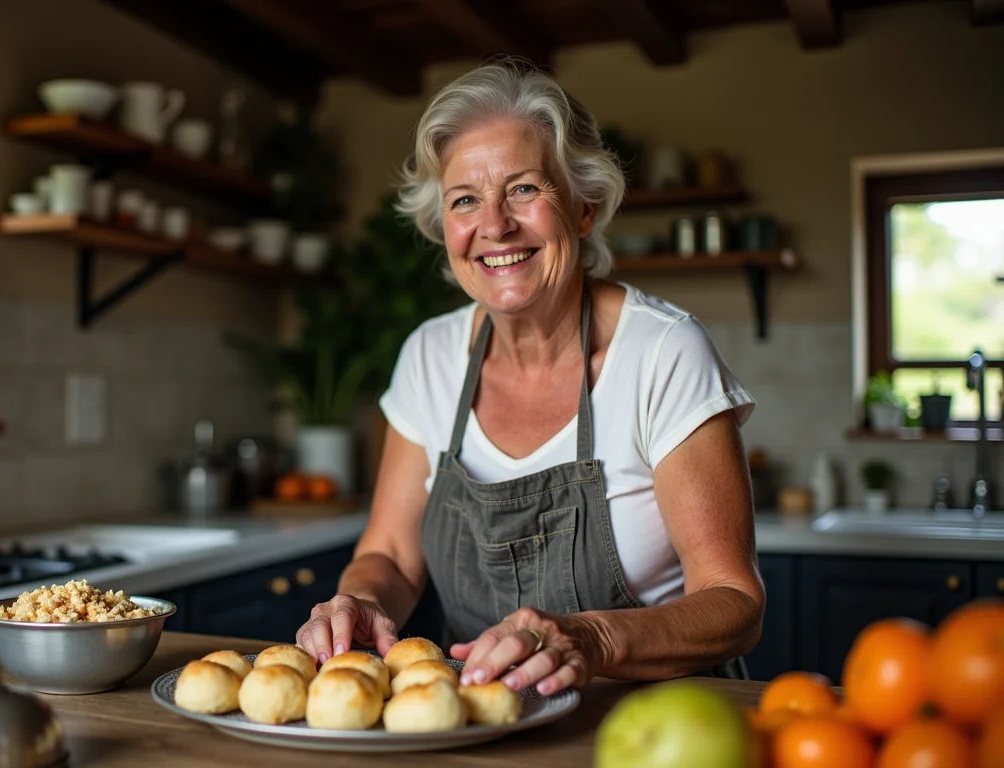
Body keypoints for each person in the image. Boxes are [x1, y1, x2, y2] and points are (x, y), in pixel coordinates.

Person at [295, 61, 764, 695]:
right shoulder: (430, 356)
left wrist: (595, 640)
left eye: (522, 189)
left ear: (583, 208)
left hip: (659, 720)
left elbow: (734, 600)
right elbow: (392, 557)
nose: (494, 225)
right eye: (465, 200)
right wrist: (362, 600)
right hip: (481, 721)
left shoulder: (662, 352)